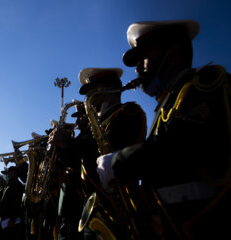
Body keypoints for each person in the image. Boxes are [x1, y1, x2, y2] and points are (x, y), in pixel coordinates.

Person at [97, 20, 231, 239]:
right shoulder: (170, 101)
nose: (138, 67)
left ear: (173, 54)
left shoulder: (206, 84)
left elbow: (185, 144)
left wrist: (118, 162)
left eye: (144, 57)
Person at [49, 68, 147, 240]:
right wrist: (62, 148)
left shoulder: (128, 113)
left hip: (124, 208)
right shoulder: (94, 128)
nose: (89, 100)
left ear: (109, 89)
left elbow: (107, 153)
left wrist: (69, 143)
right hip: (96, 208)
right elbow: (77, 162)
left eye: (94, 92)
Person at [0, 166, 24, 240]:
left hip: (11, 221)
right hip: (6, 219)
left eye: (8, 173)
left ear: (13, 173)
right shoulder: (9, 184)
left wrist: (13, 219)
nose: (7, 175)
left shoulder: (16, 184)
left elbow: (16, 202)